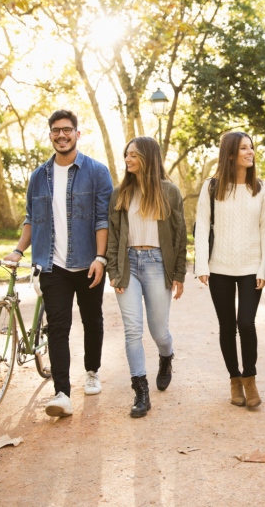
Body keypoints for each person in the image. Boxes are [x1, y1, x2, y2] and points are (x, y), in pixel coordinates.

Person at [4, 109, 113, 418]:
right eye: (56, 131)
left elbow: (103, 219)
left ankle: (92, 370)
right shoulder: (39, 176)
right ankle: (62, 393)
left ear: (77, 134)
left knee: (92, 319)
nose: (61, 135)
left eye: (67, 130)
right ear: (50, 135)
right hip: (52, 266)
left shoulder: (96, 171)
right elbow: (31, 219)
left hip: (89, 263)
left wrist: (101, 258)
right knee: (58, 328)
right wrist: (18, 251)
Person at [106, 136, 187, 418]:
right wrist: (113, 272)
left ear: (148, 159)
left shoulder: (169, 191)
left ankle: (166, 356)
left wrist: (179, 274)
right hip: (128, 265)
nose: (128, 160)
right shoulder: (120, 193)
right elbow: (114, 237)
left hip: (156, 264)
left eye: (134, 155)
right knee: (132, 330)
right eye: (126, 154)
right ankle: (141, 390)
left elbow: (179, 236)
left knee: (158, 331)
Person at [195, 131, 265, 409]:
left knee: (246, 323)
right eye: (243, 148)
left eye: (251, 147)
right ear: (230, 154)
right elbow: (202, 226)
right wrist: (202, 265)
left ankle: (250, 378)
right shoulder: (212, 187)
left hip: (252, 267)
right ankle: (234, 379)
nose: (250, 152)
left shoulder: (262, 188)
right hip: (219, 267)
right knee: (227, 326)